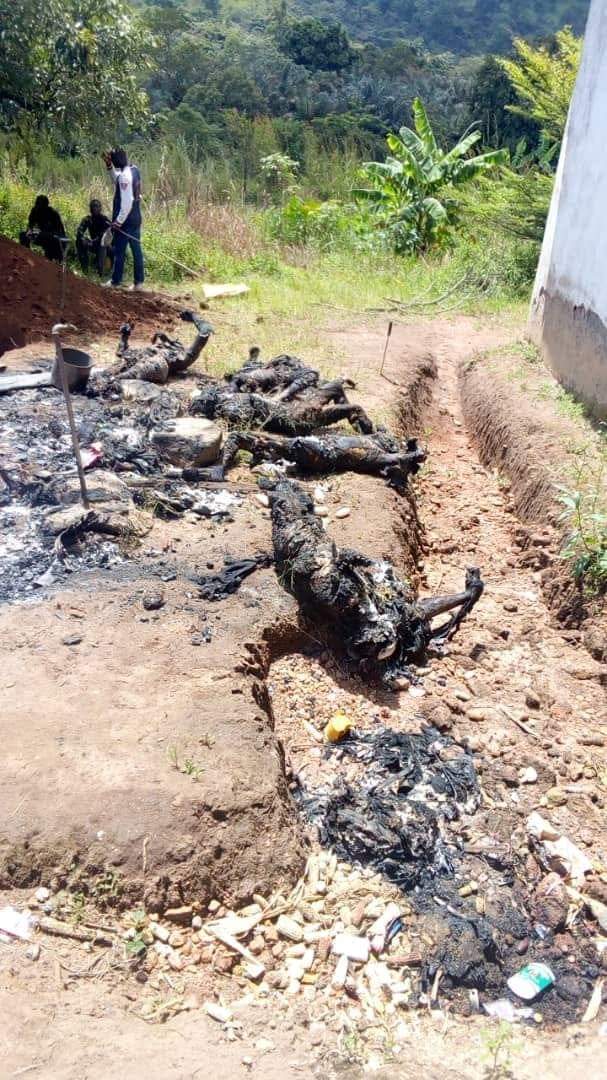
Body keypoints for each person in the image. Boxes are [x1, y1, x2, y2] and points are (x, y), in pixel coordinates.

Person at [102, 147, 145, 290]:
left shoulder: (125, 177)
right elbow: (117, 179)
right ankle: (139, 282)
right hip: (136, 217)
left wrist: (118, 222)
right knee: (136, 250)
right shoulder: (134, 169)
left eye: (113, 161)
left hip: (126, 221)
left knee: (119, 251)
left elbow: (127, 203)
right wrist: (109, 166)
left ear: (117, 161)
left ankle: (115, 281)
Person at [19, 195, 65, 263]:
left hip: (53, 238)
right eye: (38, 204)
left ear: (46, 205)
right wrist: (29, 233)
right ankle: (26, 255)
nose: (39, 206)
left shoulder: (53, 213)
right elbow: (30, 226)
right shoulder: (35, 211)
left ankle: (49, 261)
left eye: (42, 204)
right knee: (23, 235)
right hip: (42, 235)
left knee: (50, 244)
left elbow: (60, 232)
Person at [76, 199, 113, 276]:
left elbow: (109, 233)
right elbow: (80, 231)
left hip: (104, 246)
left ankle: (101, 272)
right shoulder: (87, 219)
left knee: (103, 245)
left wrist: (99, 239)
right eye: (93, 206)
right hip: (93, 244)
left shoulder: (104, 219)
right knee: (79, 242)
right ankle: (85, 269)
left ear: (100, 208)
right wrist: (83, 239)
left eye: (97, 206)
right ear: (90, 208)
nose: (95, 208)